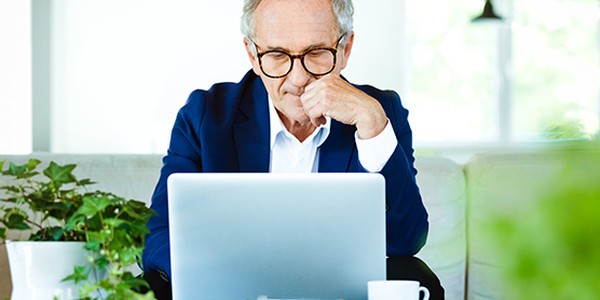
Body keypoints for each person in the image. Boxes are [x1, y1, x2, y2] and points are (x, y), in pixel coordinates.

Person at [141, 0, 444, 299]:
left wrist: (373, 125)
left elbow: (407, 239)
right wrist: (229, 276)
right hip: (230, 286)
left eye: (316, 53)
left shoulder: (381, 111)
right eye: (276, 55)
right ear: (252, 54)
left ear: (345, 49)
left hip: (343, 290)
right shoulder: (204, 115)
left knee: (417, 277)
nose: (298, 80)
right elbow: (156, 234)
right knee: (148, 286)